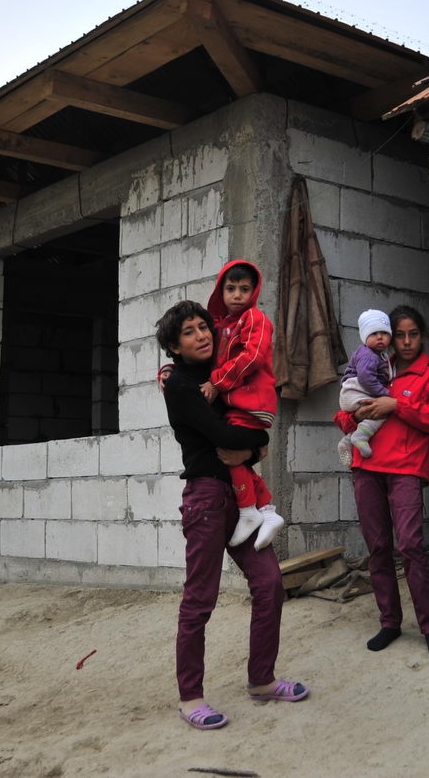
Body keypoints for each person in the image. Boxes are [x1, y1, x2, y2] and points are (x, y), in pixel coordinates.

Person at [156, 300, 310, 731]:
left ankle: (262, 680)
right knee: (199, 600)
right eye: (189, 331)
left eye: (204, 326)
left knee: (270, 584)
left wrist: (254, 446)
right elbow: (223, 434)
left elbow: (257, 420)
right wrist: (256, 441)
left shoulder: (224, 374)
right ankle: (191, 697)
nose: (202, 334)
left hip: (243, 498)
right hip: (207, 498)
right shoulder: (180, 384)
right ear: (174, 345)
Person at [334, 305, 429, 656]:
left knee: (412, 546)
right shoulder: (372, 363)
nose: (404, 341)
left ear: (422, 335)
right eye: (399, 334)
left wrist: (394, 405)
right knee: (378, 548)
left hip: (406, 469)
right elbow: (341, 415)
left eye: (412, 334)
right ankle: (390, 622)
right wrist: (355, 414)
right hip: (366, 468)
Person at [201, 260, 284, 550]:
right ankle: (267, 511)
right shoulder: (222, 326)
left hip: (252, 400)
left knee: (229, 451)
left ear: (254, 291)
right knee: (234, 454)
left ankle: (249, 510)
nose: (237, 295)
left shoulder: (255, 318)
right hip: (238, 401)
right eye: (231, 289)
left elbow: (253, 358)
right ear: (220, 292)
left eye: (244, 289)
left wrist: (217, 381)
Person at [336, 308, 394, 467]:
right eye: (374, 334)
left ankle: (347, 440)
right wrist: (385, 394)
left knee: (373, 413)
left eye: (384, 333)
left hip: (354, 392)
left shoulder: (379, 354)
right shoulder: (368, 355)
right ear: (364, 336)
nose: (380, 337)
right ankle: (360, 436)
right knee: (381, 411)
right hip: (356, 391)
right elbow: (366, 378)